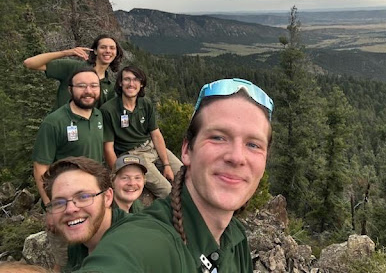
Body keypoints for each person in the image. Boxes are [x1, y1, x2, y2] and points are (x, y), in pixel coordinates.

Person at [76, 78, 274, 273]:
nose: (237, 157)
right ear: (187, 150)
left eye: (253, 144)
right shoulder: (145, 242)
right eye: (218, 137)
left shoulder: (235, 238)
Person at [32, 69, 104, 272]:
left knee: (92, 256)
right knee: (63, 263)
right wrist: (50, 208)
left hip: (91, 200)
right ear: (70, 89)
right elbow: (40, 168)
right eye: (81, 86)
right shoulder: (54, 122)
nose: (88, 91)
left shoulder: (98, 115)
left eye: (93, 86)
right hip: (64, 205)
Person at [100, 65, 182, 198]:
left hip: (151, 147)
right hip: (133, 154)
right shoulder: (108, 110)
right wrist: (118, 173)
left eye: (135, 80)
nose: (131, 84)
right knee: (167, 190)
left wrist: (166, 164)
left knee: (186, 176)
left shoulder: (145, 103)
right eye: (127, 79)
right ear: (120, 83)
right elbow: (108, 148)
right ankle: (176, 217)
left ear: (141, 84)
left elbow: (155, 134)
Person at [42, 157, 128, 273]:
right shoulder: (78, 241)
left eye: (83, 197)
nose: (70, 209)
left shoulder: (132, 243)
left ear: (107, 197)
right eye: (59, 203)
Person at [23, 34, 123, 111]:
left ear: (116, 53)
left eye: (112, 48)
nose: (108, 51)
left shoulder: (109, 87)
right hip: (61, 130)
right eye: (103, 47)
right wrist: (67, 52)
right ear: (95, 51)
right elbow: (30, 63)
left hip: (86, 134)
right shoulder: (74, 67)